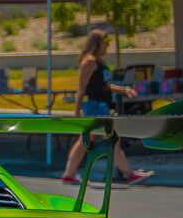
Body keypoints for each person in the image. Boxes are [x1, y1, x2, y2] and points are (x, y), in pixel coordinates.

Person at [60, 30, 151, 185]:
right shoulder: (89, 61)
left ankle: (69, 173)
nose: (107, 44)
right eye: (105, 42)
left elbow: (105, 85)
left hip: (101, 106)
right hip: (95, 106)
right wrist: (76, 113)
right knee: (112, 139)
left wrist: (125, 89)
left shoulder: (99, 62)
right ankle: (128, 173)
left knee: (85, 141)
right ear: (96, 43)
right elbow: (81, 88)